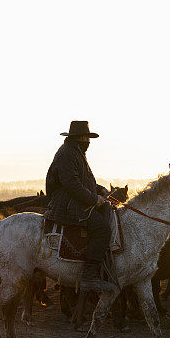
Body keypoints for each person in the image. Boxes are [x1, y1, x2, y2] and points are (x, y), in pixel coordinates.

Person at [45, 121, 116, 293]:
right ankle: (89, 277)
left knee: (109, 213)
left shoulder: (75, 152)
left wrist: (100, 189)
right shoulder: (67, 154)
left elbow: (83, 179)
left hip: (74, 199)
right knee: (102, 229)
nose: (87, 141)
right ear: (77, 138)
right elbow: (71, 183)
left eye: (88, 137)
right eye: (85, 137)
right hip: (67, 204)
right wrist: (94, 199)